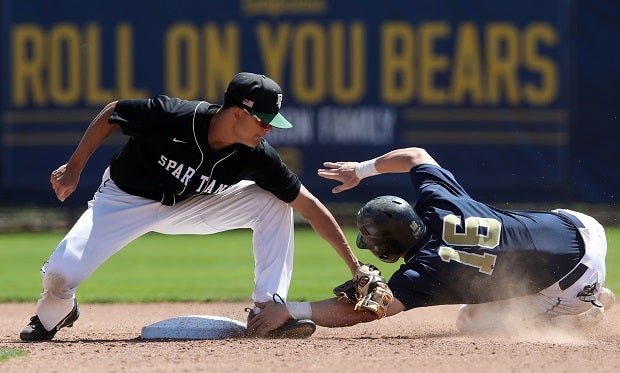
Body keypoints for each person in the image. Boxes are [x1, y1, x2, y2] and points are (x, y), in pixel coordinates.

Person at [20, 72, 360, 341]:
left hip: (191, 205)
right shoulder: (175, 116)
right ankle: (56, 312)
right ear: (238, 113)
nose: (269, 128)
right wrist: (75, 167)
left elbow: (309, 206)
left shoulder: (256, 154)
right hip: (124, 200)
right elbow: (114, 112)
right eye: (264, 120)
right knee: (60, 275)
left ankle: (267, 310)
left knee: (274, 200)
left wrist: (356, 267)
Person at [246, 147, 616, 336]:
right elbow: (416, 155)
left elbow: (363, 310)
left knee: (470, 320)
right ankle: (588, 293)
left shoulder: (421, 275)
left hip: (574, 280)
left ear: (386, 245)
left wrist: (293, 309)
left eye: (371, 242)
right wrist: (360, 170)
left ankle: (585, 306)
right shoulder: (440, 202)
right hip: (582, 226)